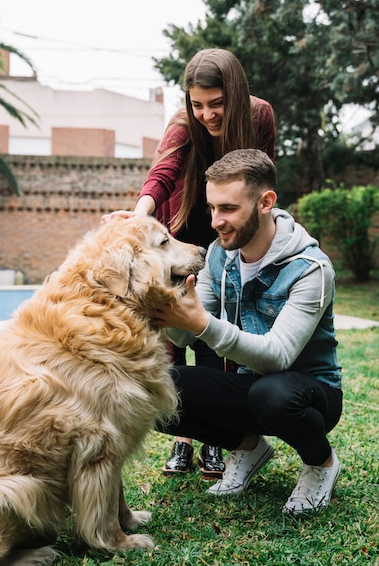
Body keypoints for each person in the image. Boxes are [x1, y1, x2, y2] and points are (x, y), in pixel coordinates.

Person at [152, 149, 342, 514]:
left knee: (273, 394)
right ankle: (248, 445)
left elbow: (277, 357)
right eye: (212, 208)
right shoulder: (219, 256)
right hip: (251, 386)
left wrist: (201, 324)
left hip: (311, 394)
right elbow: (184, 333)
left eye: (228, 209)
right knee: (155, 388)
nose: (215, 221)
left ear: (266, 202)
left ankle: (321, 463)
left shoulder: (311, 269)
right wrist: (166, 313)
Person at [132, 49, 276, 479]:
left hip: (228, 226)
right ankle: (182, 438)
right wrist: (139, 218)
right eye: (198, 104)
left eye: (216, 103)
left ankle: (216, 439)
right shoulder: (183, 122)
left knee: (211, 325)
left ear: (234, 93)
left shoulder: (260, 115)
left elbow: (263, 175)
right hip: (181, 226)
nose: (207, 114)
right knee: (174, 327)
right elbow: (163, 172)